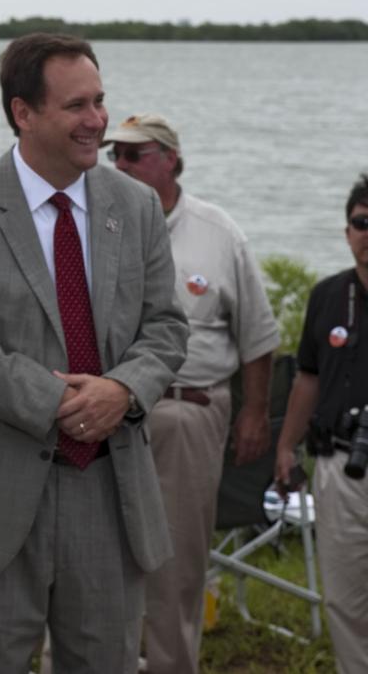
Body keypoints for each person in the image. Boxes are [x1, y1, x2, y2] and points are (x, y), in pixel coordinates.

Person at [0, 32, 188, 673]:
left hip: (108, 496)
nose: (98, 122)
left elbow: (166, 327)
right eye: (77, 106)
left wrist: (123, 391)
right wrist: (59, 399)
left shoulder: (136, 206)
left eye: (100, 101)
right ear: (23, 112)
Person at [104, 113, 279, 674]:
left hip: (189, 410)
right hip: (104, 414)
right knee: (91, 559)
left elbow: (258, 336)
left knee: (176, 568)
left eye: (135, 154)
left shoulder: (217, 231)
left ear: (171, 159)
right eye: (117, 156)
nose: (122, 165)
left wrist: (254, 413)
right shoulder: (96, 222)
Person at [275, 173, 368, 674]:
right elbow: (307, 378)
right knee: (346, 598)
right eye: (362, 222)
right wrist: (286, 448)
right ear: (347, 230)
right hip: (339, 466)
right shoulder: (329, 295)